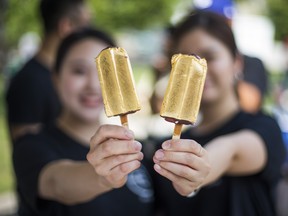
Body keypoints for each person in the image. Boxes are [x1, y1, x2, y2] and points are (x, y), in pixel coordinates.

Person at [151, 11, 286, 216]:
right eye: (186, 61)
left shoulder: (264, 127)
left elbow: (231, 151)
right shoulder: (172, 145)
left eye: (210, 57)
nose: (199, 70)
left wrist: (198, 172)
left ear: (236, 62)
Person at [12, 27, 156, 216]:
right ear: (56, 79)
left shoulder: (135, 148)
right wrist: (101, 178)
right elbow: (56, 183)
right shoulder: (31, 147)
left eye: (104, 72)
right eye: (79, 71)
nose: (93, 85)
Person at [6, 0, 91, 142]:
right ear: (66, 26)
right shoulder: (28, 82)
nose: (89, 34)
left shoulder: (61, 75)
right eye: (86, 25)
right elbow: (27, 152)